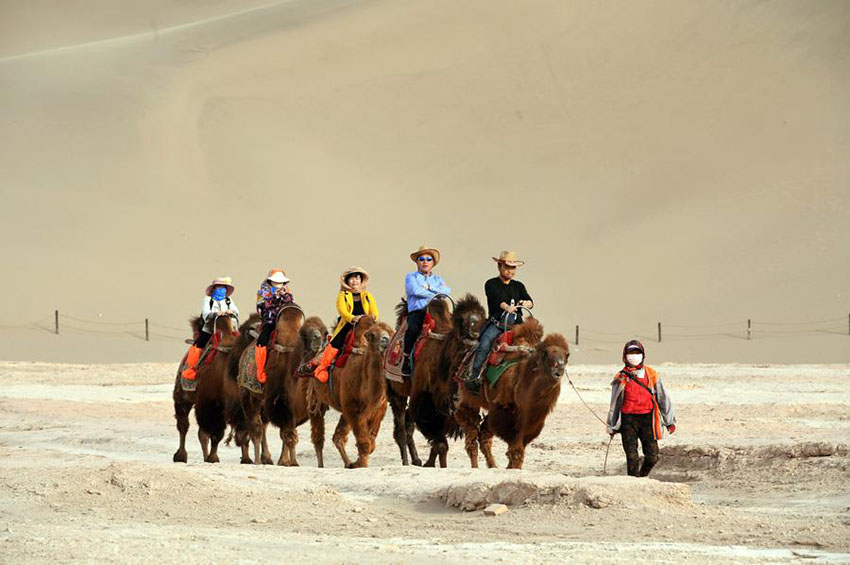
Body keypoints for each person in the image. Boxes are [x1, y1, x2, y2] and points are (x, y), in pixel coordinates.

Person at [465, 251, 534, 392]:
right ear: (499, 266)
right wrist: (507, 307)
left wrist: (525, 303)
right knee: (484, 344)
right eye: (507, 267)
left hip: (517, 325)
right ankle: (474, 376)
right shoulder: (491, 284)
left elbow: (530, 301)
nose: (510, 270)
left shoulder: (519, 286)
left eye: (513, 268)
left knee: (532, 346)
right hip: (497, 324)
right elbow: (497, 300)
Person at [606, 340, 676, 477]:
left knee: (652, 457)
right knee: (632, 458)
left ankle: (641, 478)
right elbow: (614, 403)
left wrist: (669, 421)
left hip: (648, 420)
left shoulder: (652, 374)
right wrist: (612, 425)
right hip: (628, 421)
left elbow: (663, 398)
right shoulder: (620, 377)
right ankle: (633, 483)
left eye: (637, 353)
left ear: (643, 355)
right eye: (630, 353)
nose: (634, 356)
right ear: (624, 356)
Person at [313, 267, 380, 383]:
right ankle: (322, 367)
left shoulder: (367, 295)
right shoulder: (343, 295)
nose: (355, 281)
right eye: (352, 278)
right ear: (348, 281)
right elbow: (342, 310)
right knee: (337, 342)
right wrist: (353, 318)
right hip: (349, 322)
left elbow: (374, 310)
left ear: (361, 280)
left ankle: (384, 367)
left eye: (357, 278)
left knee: (380, 339)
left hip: (365, 323)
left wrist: (373, 316)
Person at [402, 245, 451, 377]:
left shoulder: (438, 279)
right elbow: (415, 291)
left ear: (433, 263)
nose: (425, 262)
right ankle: (406, 358)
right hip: (418, 311)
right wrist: (435, 291)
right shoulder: (411, 277)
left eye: (428, 259)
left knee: (451, 330)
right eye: (421, 259)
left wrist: (428, 286)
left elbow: (446, 292)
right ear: (417, 262)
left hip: (438, 311)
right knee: (412, 328)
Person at [181, 277, 239, 381]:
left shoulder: (229, 300)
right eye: (219, 287)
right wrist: (215, 313)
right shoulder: (208, 300)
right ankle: (191, 369)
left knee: (240, 343)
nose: (221, 289)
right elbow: (205, 313)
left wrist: (231, 311)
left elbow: (236, 311)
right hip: (211, 329)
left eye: (223, 287)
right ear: (214, 288)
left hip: (228, 329)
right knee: (199, 344)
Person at [255, 268, 294, 384]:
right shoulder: (262, 291)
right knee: (262, 340)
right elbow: (261, 307)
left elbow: (291, 303)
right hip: (270, 321)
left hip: (286, 322)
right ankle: (260, 370)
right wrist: (274, 298)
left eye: (280, 282)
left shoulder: (287, 291)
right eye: (276, 281)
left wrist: (284, 296)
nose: (278, 284)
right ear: (270, 281)